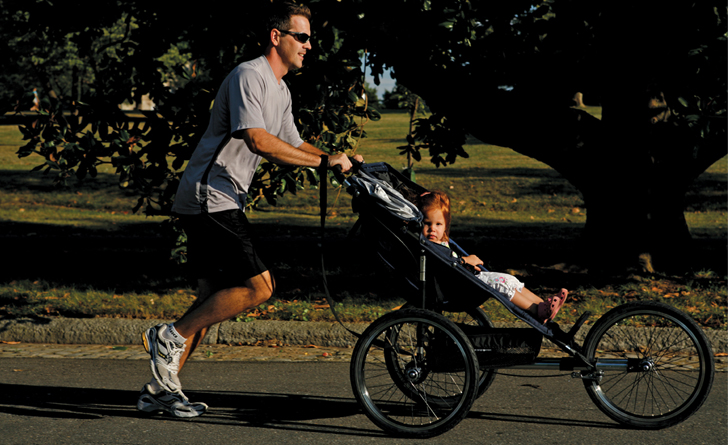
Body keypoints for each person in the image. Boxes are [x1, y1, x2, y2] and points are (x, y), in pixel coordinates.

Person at [137, 2, 362, 418]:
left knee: (209, 300)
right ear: (277, 37)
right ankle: (168, 335)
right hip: (211, 195)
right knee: (261, 287)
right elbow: (258, 140)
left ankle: (159, 391)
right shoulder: (249, 75)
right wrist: (322, 162)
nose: (309, 46)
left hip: (220, 197)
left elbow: (293, 145)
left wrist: (336, 157)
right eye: (302, 37)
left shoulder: (281, 89)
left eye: (311, 38)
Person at [417, 191, 567, 323]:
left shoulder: (440, 242)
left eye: (438, 224)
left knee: (510, 280)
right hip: (458, 289)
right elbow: (443, 265)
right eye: (427, 224)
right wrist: (465, 261)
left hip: (465, 280)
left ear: (445, 225)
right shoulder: (428, 246)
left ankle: (543, 306)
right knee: (502, 284)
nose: (432, 229)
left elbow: (449, 263)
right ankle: (536, 311)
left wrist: (465, 265)